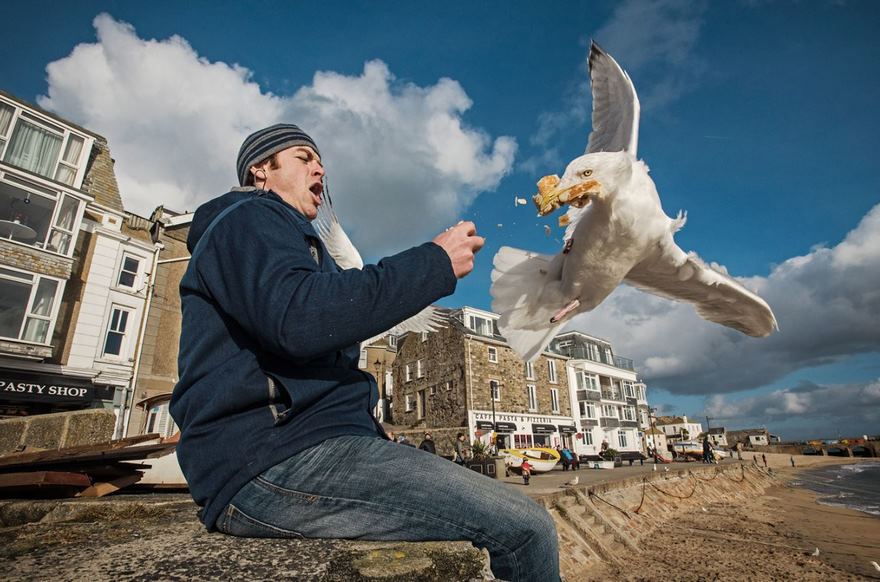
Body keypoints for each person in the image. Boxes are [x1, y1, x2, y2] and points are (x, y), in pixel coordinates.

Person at [170, 124, 560, 582]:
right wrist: (432, 262)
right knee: (528, 526)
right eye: (302, 157)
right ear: (260, 169)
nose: (321, 167)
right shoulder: (246, 218)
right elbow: (301, 321)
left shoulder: (296, 244)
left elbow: (323, 328)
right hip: (271, 460)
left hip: (305, 448)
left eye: (320, 159)